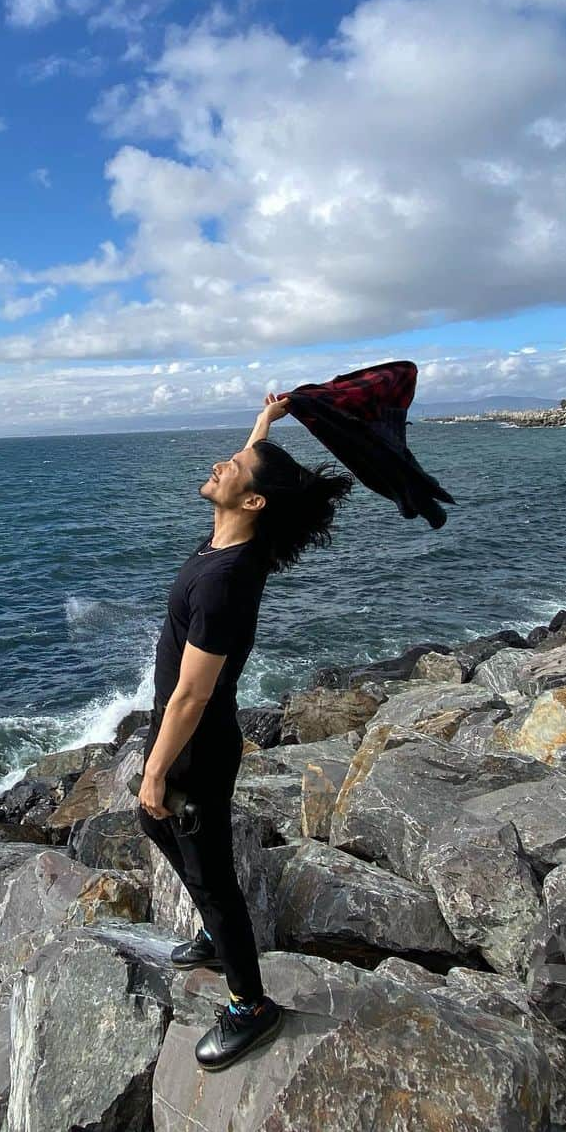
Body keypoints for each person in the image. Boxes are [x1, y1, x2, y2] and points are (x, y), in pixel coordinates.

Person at [136, 393, 354, 1071]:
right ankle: (211, 930)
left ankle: (251, 1005)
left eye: (232, 465)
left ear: (252, 501)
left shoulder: (227, 578)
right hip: (186, 731)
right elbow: (252, 474)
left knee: (210, 871)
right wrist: (266, 423)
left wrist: (153, 771)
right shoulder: (232, 540)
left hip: (196, 741)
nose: (218, 465)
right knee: (154, 827)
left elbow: (194, 692)